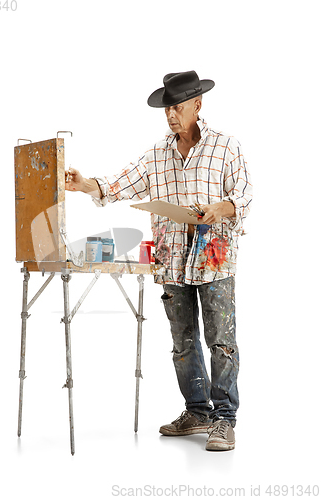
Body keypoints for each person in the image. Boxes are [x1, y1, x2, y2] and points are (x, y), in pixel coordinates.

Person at [65, 70, 253, 451]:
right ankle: (197, 411)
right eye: (167, 108)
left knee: (221, 340)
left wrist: (222, 207)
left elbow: (245, 197)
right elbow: (119, 184)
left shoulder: (226, 147)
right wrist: (85, 184)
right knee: (182, 342)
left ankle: (223, 419)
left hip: (214, 258)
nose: (171, 114)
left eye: (178, 106)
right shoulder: (156, 155)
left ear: (197, 105)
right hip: (171, 261)